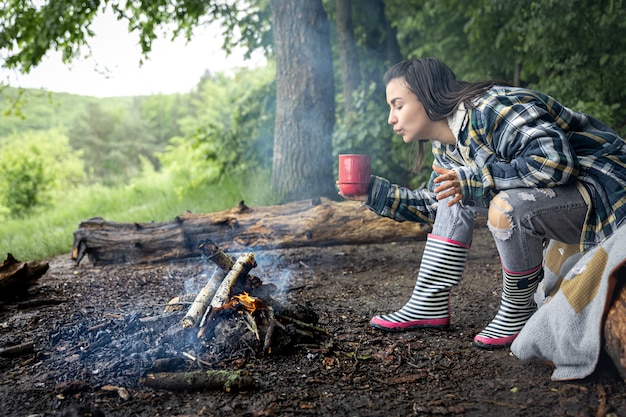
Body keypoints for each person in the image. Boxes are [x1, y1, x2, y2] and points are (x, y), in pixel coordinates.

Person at [339, 57, 626, 349]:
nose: (391, 118)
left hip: (603, 192)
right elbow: (436, 205)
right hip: (566, 203)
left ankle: (518, 310)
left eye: (398, 105)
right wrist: (373, 193)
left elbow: (556, 163)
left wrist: (476, 179)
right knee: (453, 194)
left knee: (505, 206)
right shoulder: (448, 144)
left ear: (426, 95)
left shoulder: (492, 108)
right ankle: (429, 302)